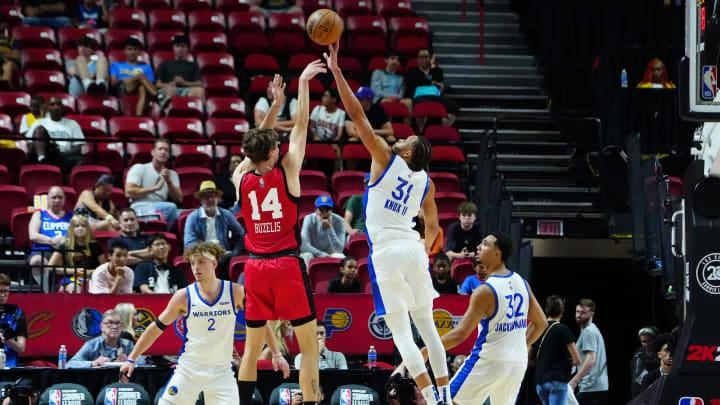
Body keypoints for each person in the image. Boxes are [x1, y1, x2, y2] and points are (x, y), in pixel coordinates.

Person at [324, 41, 450, 405]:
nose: (402, 137)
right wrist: (425, 249)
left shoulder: (384, 156)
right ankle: (443, 397)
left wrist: (336, 72)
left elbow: (357, 116)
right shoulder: (426, 181)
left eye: (407, 138)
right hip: (413, 249)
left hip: (388, 253)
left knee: (402, 336)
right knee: (428, 327)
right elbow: (432, 223)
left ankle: (428, 395)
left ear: (409, 152)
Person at [233, 63, 326, 405]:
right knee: (309, 347)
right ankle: (312, 401)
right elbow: (301, 125)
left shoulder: (241, 177)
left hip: (254, 267)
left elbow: (254, 145)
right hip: (285, 265)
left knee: (252, 350)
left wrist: (272, 108)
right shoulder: (288, 170)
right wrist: (302, 84)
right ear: (274, 151)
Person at [120, 243, 289, 403]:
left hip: (221, 372)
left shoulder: (235, 292)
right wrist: (132, 358)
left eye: (201, 262)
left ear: (214, 263)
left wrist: (276, 353)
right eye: (193, 263)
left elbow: (260, 323)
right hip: (189, 369)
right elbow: (155, 328)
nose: (195, 267)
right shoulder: (183, 296)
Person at [409, 233, 547, 405]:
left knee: (448, 402)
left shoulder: (485, 291)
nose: (479, 247)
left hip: (488, 360)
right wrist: (518, 344)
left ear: (498, 253)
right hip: (516, 363)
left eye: (485, 244)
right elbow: (541, 323)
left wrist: (427, 350)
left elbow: (458, 335)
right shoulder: (522, 282)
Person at [184, 180, 246, 272]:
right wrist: (213, 252)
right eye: (206, 197)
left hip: (224, 257)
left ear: (218, 198)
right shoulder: (192, 218)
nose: (210, 200)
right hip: (202, 256)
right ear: (200, 200)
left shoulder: (226, 214)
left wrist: (235, 253)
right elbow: (189, 244)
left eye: (212, 196)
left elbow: (240, 235)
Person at [531, 295, 581, 405]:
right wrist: (566, 363)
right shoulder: (564, 330)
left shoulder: (538, 330)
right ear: (562, 311)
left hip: (540, 382)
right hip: (557, 381)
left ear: (546, 310)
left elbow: (529, 358)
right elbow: (577, 360)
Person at [125, 138, 182, 227]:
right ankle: (162, 234)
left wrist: (169, 181)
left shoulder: (172, 174)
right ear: (152, 152)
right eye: (160, 149)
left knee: (189, 214)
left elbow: (179, 199)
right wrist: (155, 188)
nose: (163, 152)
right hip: (140, 206)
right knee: (171, 207)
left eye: (166, 150)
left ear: (168, 155)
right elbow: (129, 192)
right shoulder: (140, 168)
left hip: (162, 208)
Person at [27, 186, 72, 291]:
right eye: (54, 197)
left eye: (60, 197)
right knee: (36, 261)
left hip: (67, 251)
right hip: (43, 251)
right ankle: (47, 291)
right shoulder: (39, 214)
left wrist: (64, 240)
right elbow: (33, 235)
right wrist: (51, 241)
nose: (57, 200)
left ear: (64, 199)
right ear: (47, 199)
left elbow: (78, 235)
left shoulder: (71, 216)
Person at [26, 96, 86, 169]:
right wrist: (49, 147)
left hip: (65, 155)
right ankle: (42, 159)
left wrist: (61, 154)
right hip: (47, 153)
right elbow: (30, 144)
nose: (56, 107)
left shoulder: (73, 124)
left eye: (58, 104)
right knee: (39, 130)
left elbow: (77, 147)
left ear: (62, 107)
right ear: (48, 108)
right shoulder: (39, 122)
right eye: (52, 105)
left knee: (80, 161)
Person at [404, 47, 457, 128]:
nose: (423, 59)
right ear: (417, 59)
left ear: (430, 58)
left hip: (435, 96)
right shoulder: (413, 71)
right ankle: (420, 130)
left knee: (453, 106)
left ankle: (442, 128)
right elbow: (414, 82)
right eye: (421, 57)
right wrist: (432, 82)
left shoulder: (436, 70)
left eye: (426, 57)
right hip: (420, 96)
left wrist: (432, 67)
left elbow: (439, 79)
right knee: (421, 107)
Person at [569, 299, 609, 405]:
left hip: (591, 386)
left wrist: (574, 380)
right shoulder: (591, 330)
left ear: (592, 314)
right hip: (595, 386)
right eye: (577, 311)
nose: (578, 315)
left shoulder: (588, 332)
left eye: (583, 312)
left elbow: (591, 359)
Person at [68, 309, 135, 368]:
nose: (115, 326)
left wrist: (129, 360)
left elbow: (143, 363)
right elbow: (70, 364)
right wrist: (93, 363)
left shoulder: (128, 344)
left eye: (118, 323)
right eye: (110, 323)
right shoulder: (92, 344)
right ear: (102, 327)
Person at [47, 215, 106, 281]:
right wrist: (74, 271)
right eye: (77, 226)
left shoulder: (95, 245)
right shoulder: (64, 244)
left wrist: (89, 272)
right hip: (71, 279)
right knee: (75, 289)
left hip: (92, 278)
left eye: (83, 226)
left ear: (88, 228)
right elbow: (50, 267)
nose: (80, 228)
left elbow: (104, 267)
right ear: (72, 228)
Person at [110, 37, 157, 117]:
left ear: (139, 52)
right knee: (141, 76)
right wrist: (132, 79)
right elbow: (114, 83)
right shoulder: (116, 65)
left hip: (139, 89)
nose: (132, 52)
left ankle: (138, 115)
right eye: (129, 49)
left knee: (142, 87)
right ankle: (158, 96)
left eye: (135, 49)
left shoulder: (146, 67)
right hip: (122, 88)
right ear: (124, 51)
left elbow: (149, 85)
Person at [156, 34, 204, 110]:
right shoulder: (165, 64)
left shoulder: (193, 65)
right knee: (172, 89)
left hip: (186, 90)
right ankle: (166, 113)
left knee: (199, 91)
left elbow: (199, 83)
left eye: (183, 46)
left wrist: (184, 83)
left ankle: (193, 115)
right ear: (173, 48)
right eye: (177, 46)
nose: (180, 49)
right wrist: (170, 84)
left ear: (187, 49)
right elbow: (158, 84)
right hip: (169, 88)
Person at [300, 195, 346, 266]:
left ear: (331, 210)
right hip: (313, 252)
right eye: (321, 210)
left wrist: (329, 228)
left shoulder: (340, 221)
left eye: (327, 210)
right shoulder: (308, 219)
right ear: (315, 210)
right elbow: (304, 246)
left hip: (332, 253)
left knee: (341, 256)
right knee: (306, 255)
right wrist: (323, 255)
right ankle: (306, 277)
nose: (324, 214)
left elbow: (339, 250)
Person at [371, 50, 412, 121]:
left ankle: (408, 128)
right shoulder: (378, 72)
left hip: (397, 99)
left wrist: (397, 97)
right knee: (386, 102)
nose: (395, 61)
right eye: (392, 58)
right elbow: (376, 91)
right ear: (386, 60)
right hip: (381, 98)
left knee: (409, 102)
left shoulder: (401, 77)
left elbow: (401, 92)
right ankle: (387, 127)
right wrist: (389, 96)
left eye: (397, 60)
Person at [0, 274, 27, 368]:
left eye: (5, 291)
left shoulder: (18, 313)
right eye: (0, 291)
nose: (2, 295)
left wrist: (9, 342)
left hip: (10, 367)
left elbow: (21, 348)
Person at [630, 326, 659, 397]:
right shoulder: (637, 354)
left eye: (649, 341)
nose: (646, 345)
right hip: (637, 392)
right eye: (643, 341)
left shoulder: (660, 354)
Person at [343, 173, 369, 238]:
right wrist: (351, 231)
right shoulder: (355, 199)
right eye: (369, 183)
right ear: (365, 186)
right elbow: (346, 222)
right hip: (358, 232)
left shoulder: (382, 202)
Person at [0, 14, 19, 91]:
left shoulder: (11, 40)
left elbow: (16, 55)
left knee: (9, 64)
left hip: (7, 63)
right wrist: (6, 52)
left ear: (5, 25)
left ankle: (4, 85)